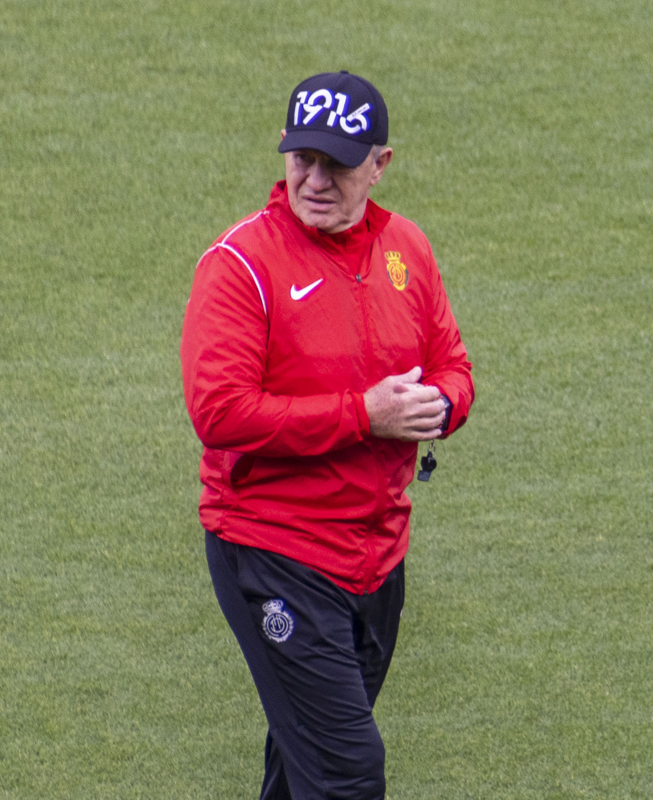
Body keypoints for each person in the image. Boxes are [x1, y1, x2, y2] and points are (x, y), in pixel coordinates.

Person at [180, 70, 474, 800]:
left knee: (305, 764)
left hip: (377, 556)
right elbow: (219, 413)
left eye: (337, 163)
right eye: (301, 158)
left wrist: (438, 404)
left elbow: (454, 368)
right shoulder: (241, 265)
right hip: (274, 554)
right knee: (345, 773)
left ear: (379, 163)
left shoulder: (408, 250)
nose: (315, 179)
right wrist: (363, 415)